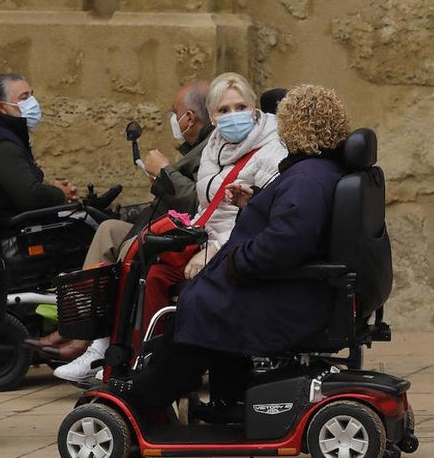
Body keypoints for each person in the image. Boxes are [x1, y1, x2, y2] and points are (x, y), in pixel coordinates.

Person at [135, 84, 354, 414]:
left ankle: (142, 404)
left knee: (199, 313)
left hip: (290, 297)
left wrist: (236, 261)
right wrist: (256, 204)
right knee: (206, 305)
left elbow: (285, 242)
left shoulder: (307, 177)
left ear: (294, 127)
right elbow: (294, 222)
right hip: (297, 290)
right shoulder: (316, 171)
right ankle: (229, 400)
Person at [44, 79, 214, 376]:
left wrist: (165, 172)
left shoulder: (212, 149)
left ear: (189, 117)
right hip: (166, 223)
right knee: (108, 229)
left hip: (189, 235)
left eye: (175, 112)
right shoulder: (195, 148)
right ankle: (82, 327)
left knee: (130, 247)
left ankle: (102, 343)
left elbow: (198, 202)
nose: (173, 119)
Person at [0, 73, 77, 228]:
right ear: (1, 107)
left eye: (32, 95)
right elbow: (30, 196)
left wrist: (50, 187)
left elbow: (18, 183)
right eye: (24, 97)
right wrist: (60, 194)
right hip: (15, 236)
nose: (32, 102)